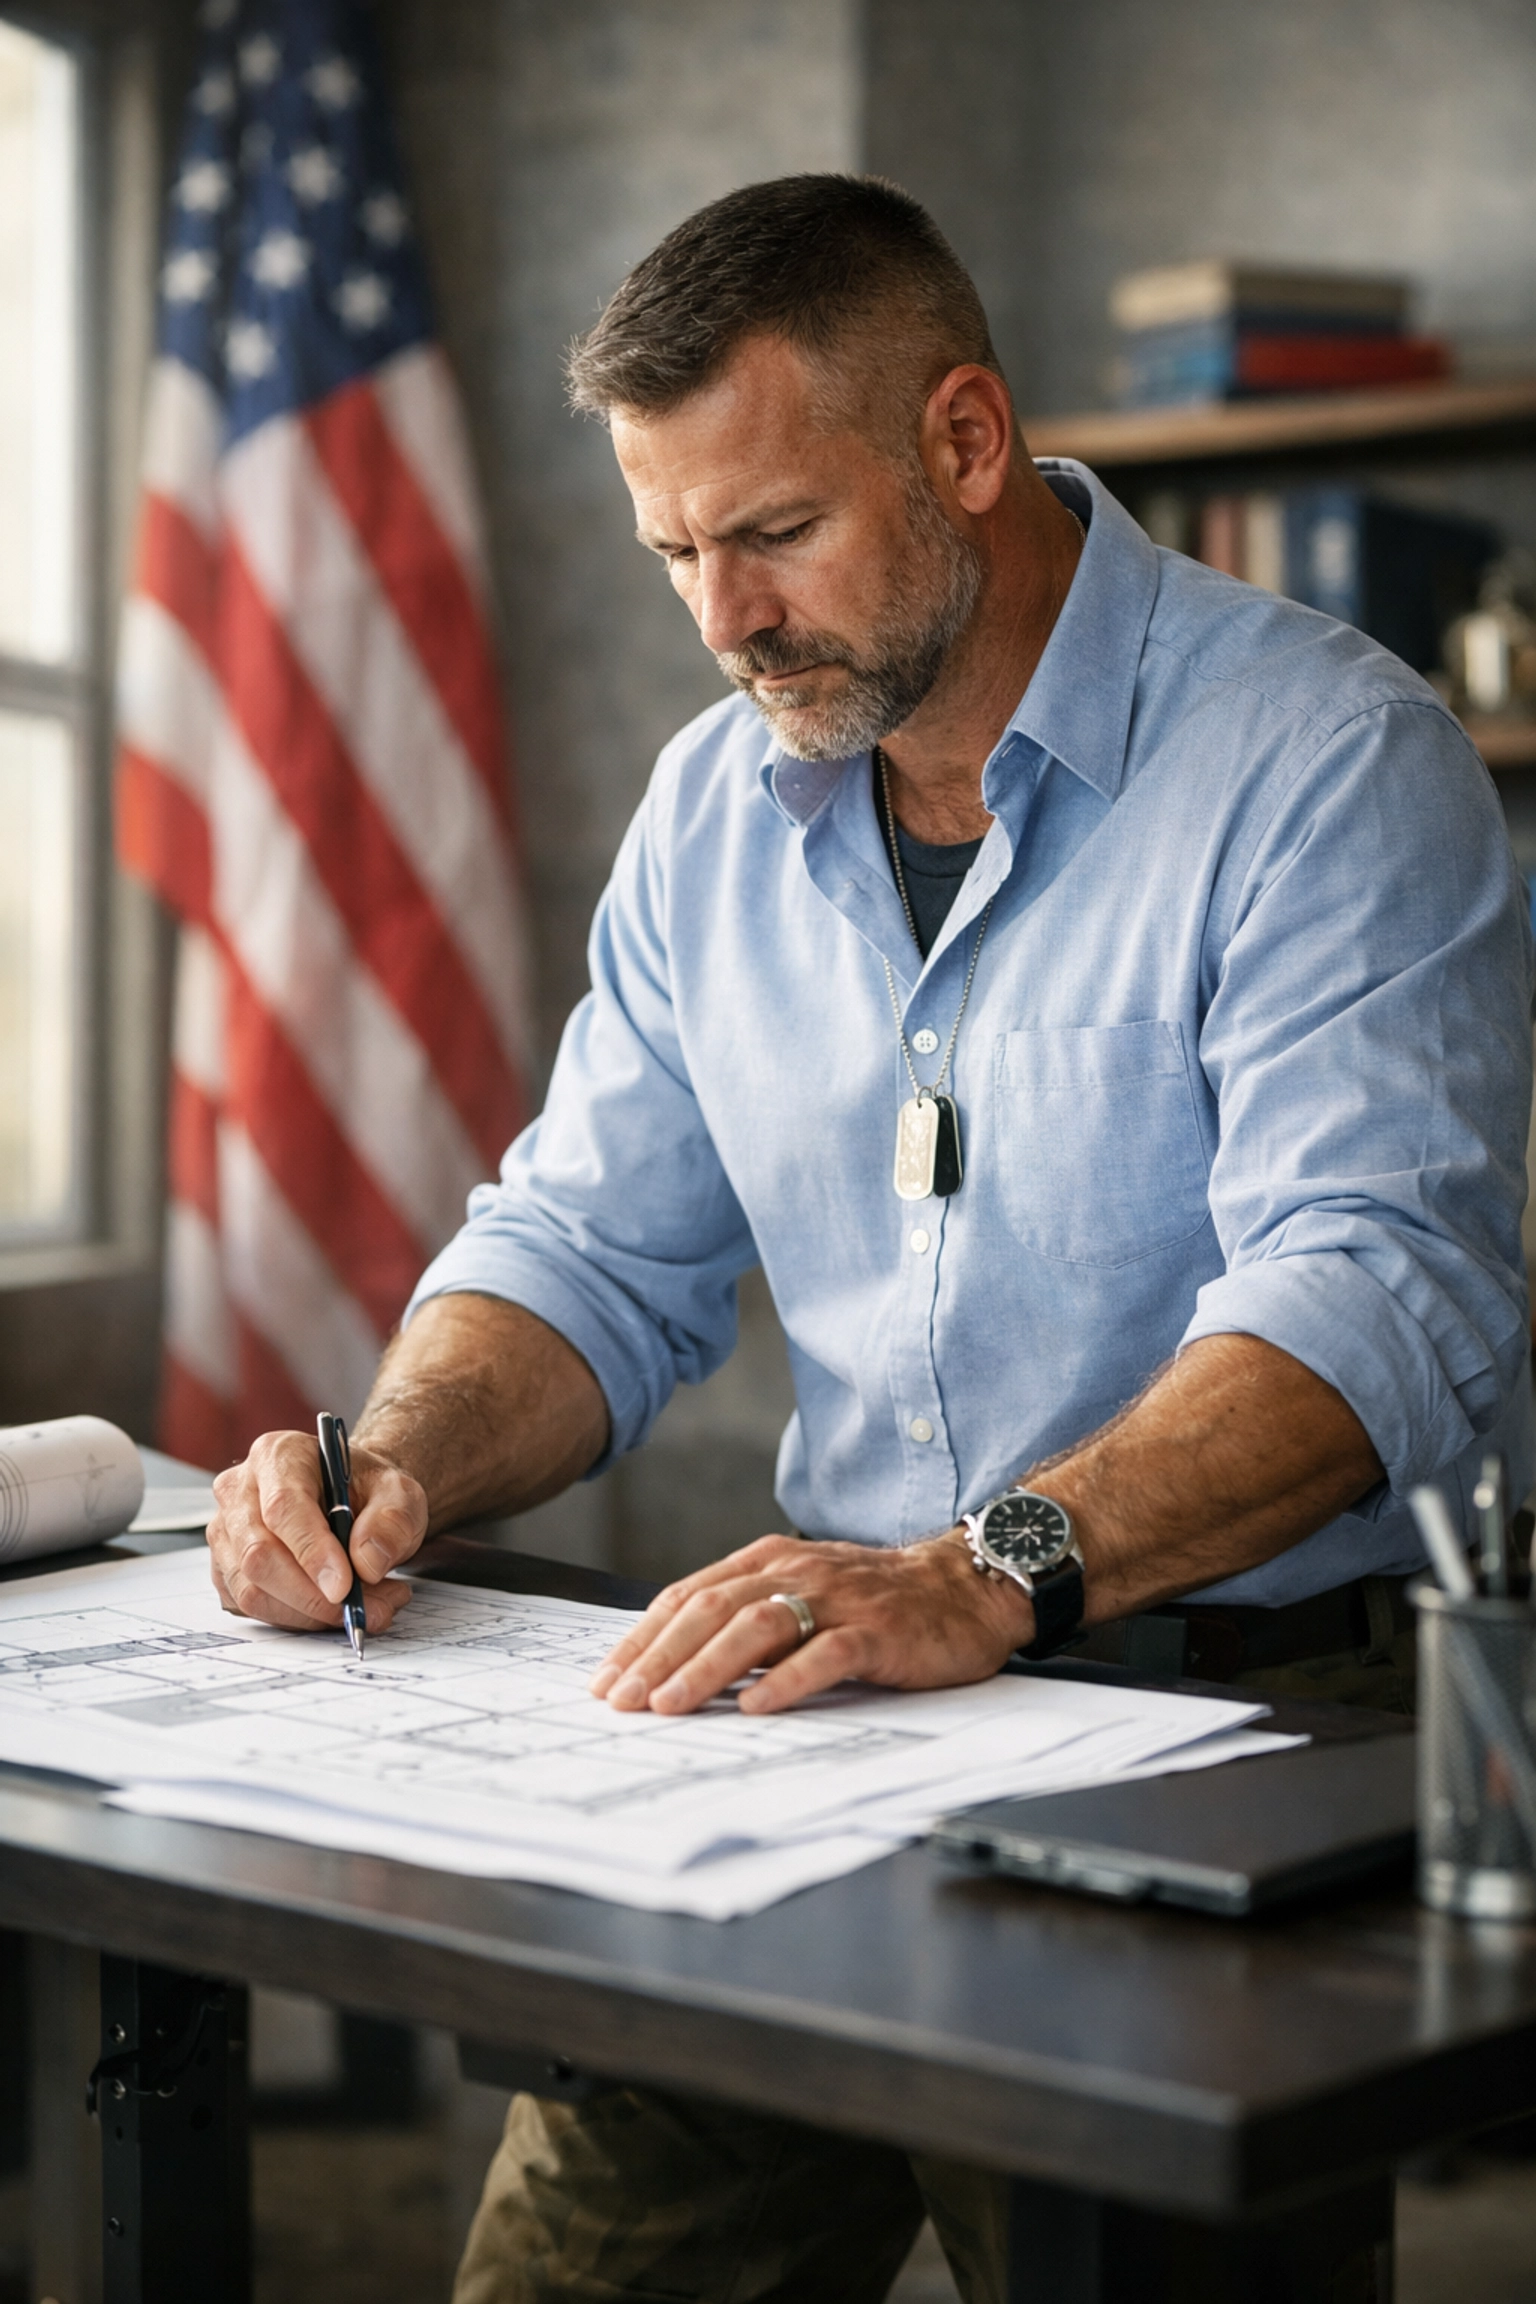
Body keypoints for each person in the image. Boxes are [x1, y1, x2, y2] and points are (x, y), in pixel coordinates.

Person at [207, 175, 1532, 2303]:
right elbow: (583, 1243)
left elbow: (1381, 1292)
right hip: (819, 1716)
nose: (724, 621)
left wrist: (976, 1575)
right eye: (674, 555)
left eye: (774, 535)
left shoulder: (1326, 762)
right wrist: (401, 1461)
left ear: (968, 445)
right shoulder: (710, 813)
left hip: (1225, 1728)